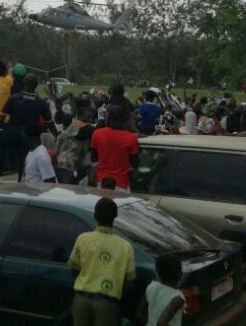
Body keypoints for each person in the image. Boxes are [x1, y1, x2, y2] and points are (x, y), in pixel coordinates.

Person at [67, 198, 140, 326]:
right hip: (107, 304)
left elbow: (73, 268)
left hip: (81, 300)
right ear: (115, 216)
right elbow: (130, 282)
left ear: (95, 215)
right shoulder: (125, 246)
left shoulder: (83, 239)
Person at [0, 74, 57, 183]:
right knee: (26, 165)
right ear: (36, 86)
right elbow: (50, 123)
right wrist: (57, 136)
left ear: (23, 83)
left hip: (14, 137)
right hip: (32, 138)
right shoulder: (41, 102)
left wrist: (1, 133)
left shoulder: (13, 98)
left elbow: (0, 119)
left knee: (18, 164)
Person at [90, 105, 138, 191]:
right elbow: (135, 163)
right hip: (121, 184)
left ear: (108, 118)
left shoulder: (97, 134)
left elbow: (93, 158)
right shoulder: (132, 138)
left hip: (101, 182)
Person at [138, 254, 185, 326]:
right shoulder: (178, 297)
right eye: (180, 269)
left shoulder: (151, 287)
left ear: (158, 272)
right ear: (179, 273)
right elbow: (161, 323)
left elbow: (139, 314)